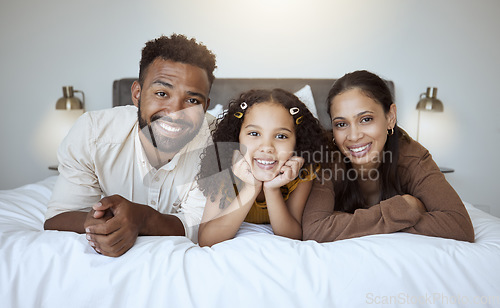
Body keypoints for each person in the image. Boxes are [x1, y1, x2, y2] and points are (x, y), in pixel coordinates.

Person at [44, 34, 217, 257]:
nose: (175, 112)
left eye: (192, 100)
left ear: (206, 107)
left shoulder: (218, 140)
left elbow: (199, 226)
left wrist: (143, 218)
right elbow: (58, 217)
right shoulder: (93, 133)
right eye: (162, 93)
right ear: (137, 94)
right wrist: (100, 222)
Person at [302, 70, 474, 242]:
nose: (353, 136)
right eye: (341, 124)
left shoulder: (411, 156)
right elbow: (314, 229)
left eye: (366, 119)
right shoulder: (326, 158)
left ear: (390, 117)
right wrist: (404, 208)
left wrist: (345, 221)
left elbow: (459, 226)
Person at [196, 89, 328, 246]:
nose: (266, 147)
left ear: (297, 143)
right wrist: (251, 188)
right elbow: (207, 239)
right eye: (254, 133)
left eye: (281, 136)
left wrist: (272, 189)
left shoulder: (301, 171)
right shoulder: (225, 166)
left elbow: (291, 236)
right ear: (237, 136)